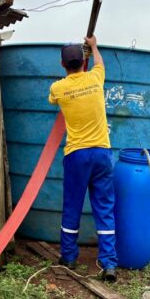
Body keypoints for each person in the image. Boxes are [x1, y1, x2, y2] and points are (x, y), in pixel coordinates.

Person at [48, 35, 117, 282]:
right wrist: (94, 46)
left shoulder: (58, 88)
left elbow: (53, 100)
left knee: (72, 206)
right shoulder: (96, 79)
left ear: (62, 64)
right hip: (102, 153)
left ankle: (69, 256)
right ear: (83, 60)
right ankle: (109, 263)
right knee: (104, 207)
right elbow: (100, 64)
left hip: (77, 154)